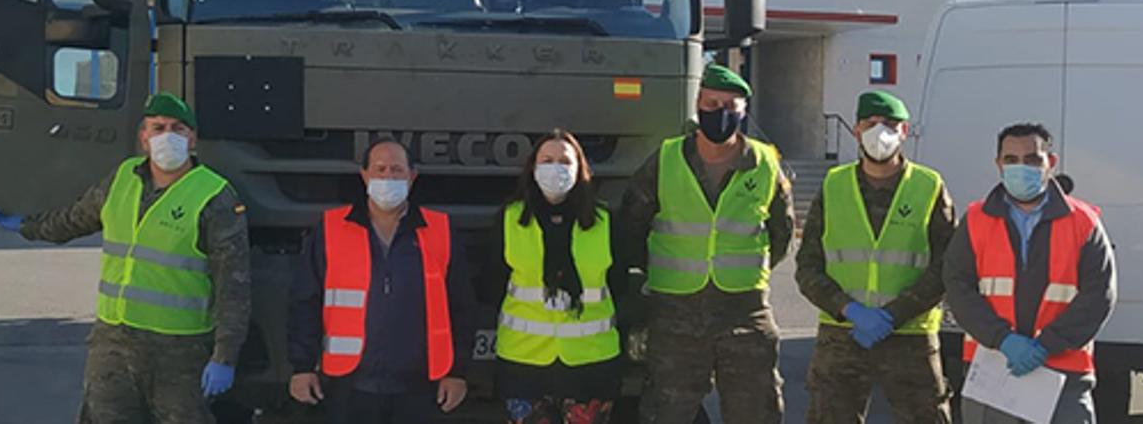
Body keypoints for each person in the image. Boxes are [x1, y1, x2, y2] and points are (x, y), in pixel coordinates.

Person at [0, 92, 250, 424]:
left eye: (178, 129)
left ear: (193, 138)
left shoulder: (214, 196)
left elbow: (234, 287)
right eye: (157, 128)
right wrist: (28, 226)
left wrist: (224, 357)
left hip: (179, 353)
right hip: (113, 345)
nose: (167, 136)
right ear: (143, 136)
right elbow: (73, 219)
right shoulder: (122, 179)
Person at [617, 63, 795, 424]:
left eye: (731, 106)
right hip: (675, 311)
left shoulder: (764, 163)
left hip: (744, 309)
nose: (721, 113)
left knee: (756, 410)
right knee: (667, 412)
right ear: (698, 104)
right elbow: (631, 225)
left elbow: (782, 232)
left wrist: (745, 269)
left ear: (744, 111)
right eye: (712, 103)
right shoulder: (666, 159)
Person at [287, 137, 476, 423]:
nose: (388, 177)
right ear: (364, 175)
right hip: (348, 386)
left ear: (412, 176)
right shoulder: (331, 229)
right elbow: (305, 301)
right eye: (380, 169)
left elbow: (461, 307)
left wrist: (457, 372)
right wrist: (302, 367)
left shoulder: (440, 230)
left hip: (419, 388)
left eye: (397, 170)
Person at [795, 89, 957, 423]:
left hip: (910, 333)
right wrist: (848, 308)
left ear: (905, 131)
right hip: (842, 333)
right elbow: (808, 266)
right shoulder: (833, 186)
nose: (879, 132)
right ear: (856, 129)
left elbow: (947, 265)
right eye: (870, 123)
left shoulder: (929, 186)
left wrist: (894, 314)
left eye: (889, 124)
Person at [944, 123, 1116, 423]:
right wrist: (1003, 339)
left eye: (1033, 159)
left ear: (1051, 162)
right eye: (1011, 160)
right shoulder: (976, 220)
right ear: (998, 164)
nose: (1021, 167)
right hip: (994, 372)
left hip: (1063, 374)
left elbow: (1100, 294)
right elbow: (958, 286)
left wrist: (1047, 344)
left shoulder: (1083, 223)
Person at [488, 129, 622, 424]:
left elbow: (619, 285)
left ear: (581, 169)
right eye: (547, 160)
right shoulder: (509, 219)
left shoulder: (607, 222)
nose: (556, 168)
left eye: (565, 161)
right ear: (533, 168)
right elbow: (492, 283)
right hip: (524, 366)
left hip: (592, 366)